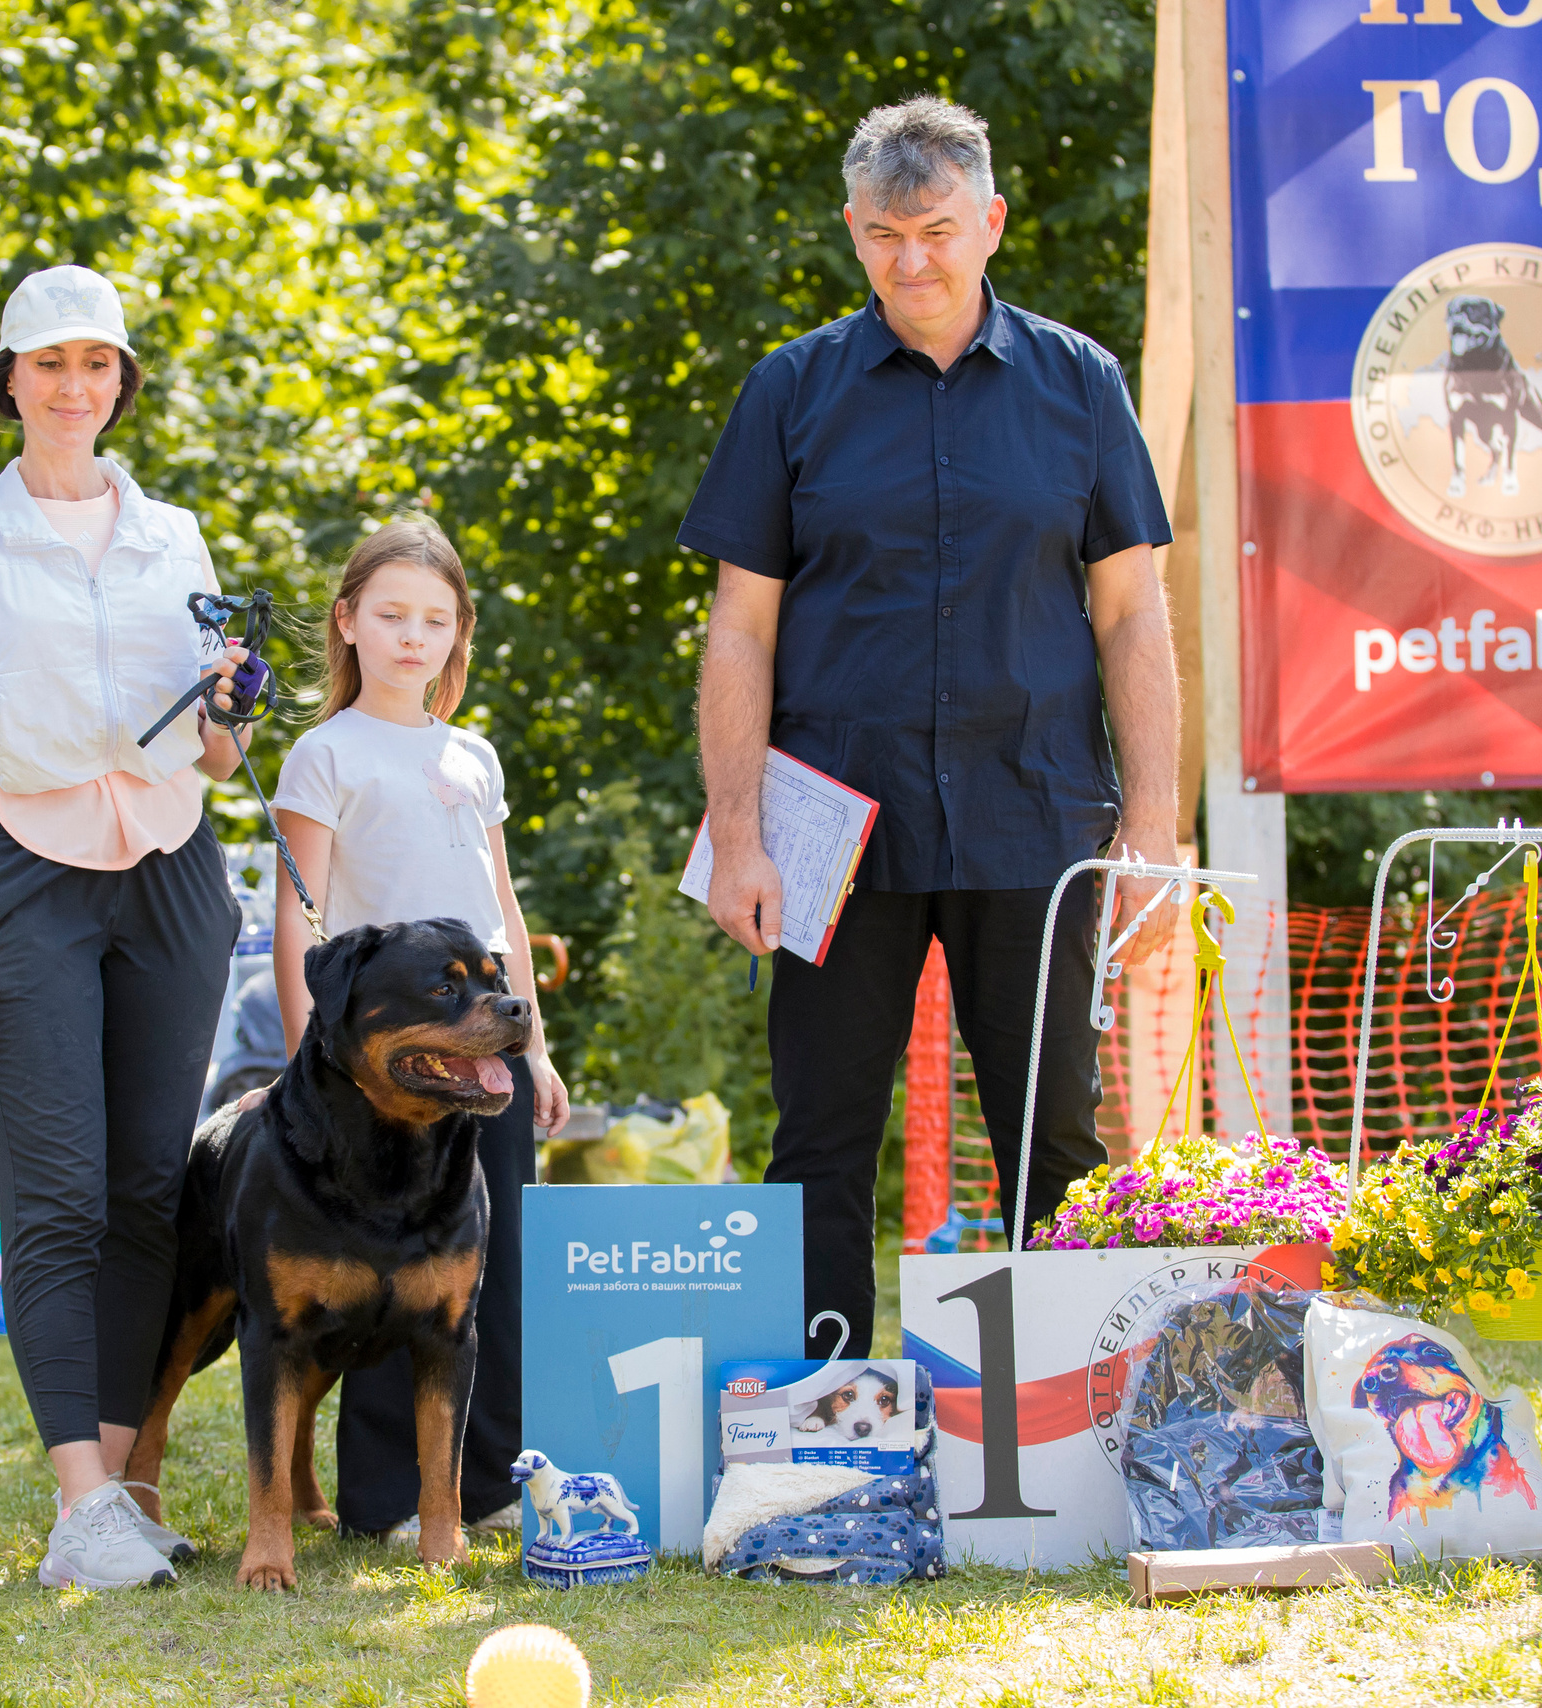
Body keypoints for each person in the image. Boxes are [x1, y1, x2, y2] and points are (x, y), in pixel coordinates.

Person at [681, 97, 1182, 1356]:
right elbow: (740, 627)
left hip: (1038, 812)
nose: (914, 261)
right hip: (832, 826)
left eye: (939, 231)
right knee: (823, 1132)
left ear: (991, 222)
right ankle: (827, 1414)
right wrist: (735, 830)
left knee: (1054, 1132)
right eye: (886, 235)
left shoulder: (1079, 384)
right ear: (853, 232)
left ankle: (1064, 1420)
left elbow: (1129, 611)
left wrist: (1157, 818)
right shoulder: (790, 391)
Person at [0, 264, 249, 1591]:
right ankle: (81, 1505)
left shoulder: (179, 536)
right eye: (49, 364)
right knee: (56, 1199)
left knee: (148, 1192)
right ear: (8, 381)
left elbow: (216, 755)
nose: (72, 386)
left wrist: (230, 710)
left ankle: (107, 1499)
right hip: (27, 875)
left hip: (174, 870)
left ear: (120, 384)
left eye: (96, 364)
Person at [267, 515, 571, 1545]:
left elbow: (503, 914)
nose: (411, 636)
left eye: (434, 620)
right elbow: (296, 917)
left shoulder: (473, 756)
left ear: (458, 635)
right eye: (391, 614)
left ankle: (484, 1485)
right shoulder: (323, 754)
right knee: (390, 1272)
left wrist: (534, 1047)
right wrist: (314, 1060)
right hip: (386, 1068)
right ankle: (387, 1502)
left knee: (489, 1268)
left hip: (487, 1057)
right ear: (347, 621)